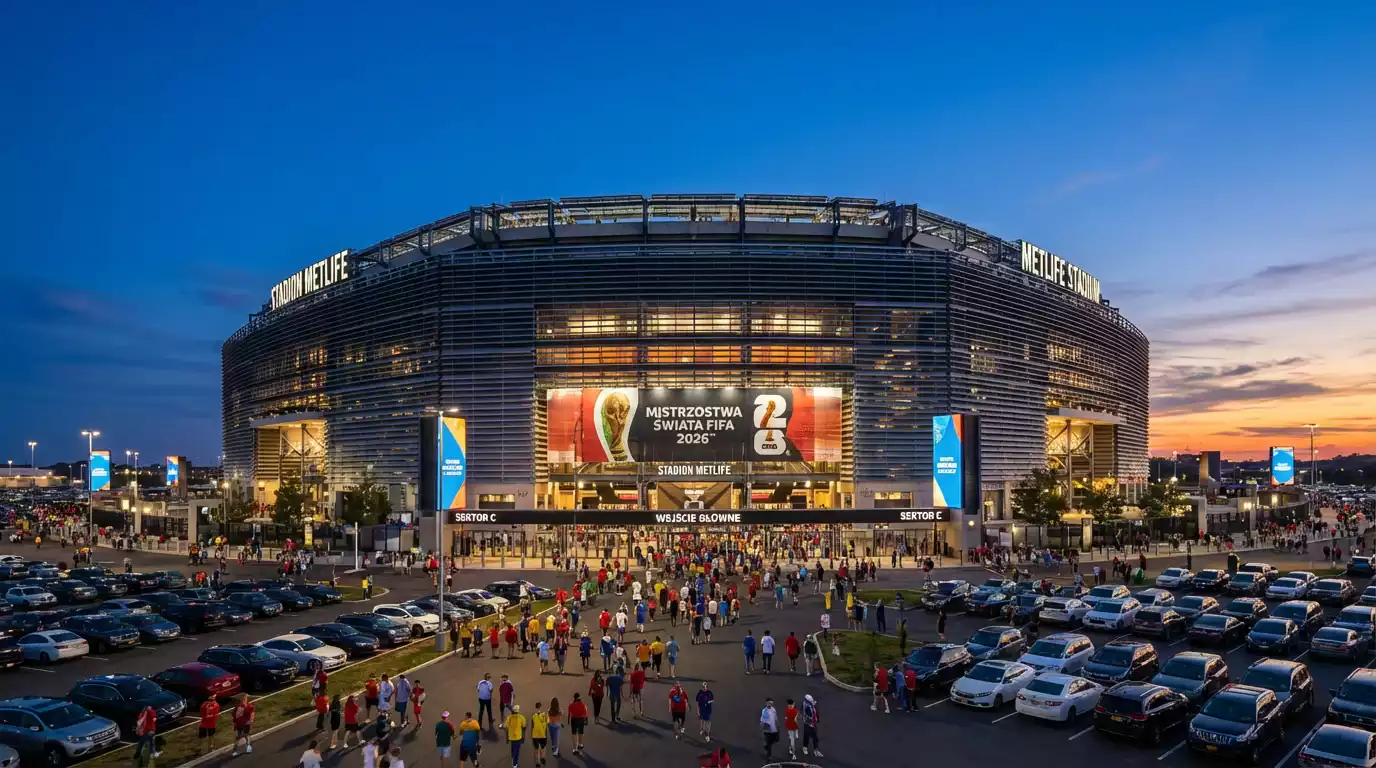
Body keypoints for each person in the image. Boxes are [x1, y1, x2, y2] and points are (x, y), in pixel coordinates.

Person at [505, 703, 526, 768]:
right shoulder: (521, 717)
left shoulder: (509, 717)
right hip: (518, 737)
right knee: (516, 751)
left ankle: (512, 756)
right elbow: (524, 726)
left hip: (511, 736)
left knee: (513, 747)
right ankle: (515, 764)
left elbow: (506, 726)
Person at [530, 701, 549, 767]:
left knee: (536, 749)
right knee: (543, 748)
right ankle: (542, 757)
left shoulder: (533, 716)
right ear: (541, 707)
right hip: (543, 734)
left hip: (535, 735)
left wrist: (532, 735)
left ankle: (537, 763)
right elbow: (547, 724)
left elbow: (532, 726)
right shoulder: (544, 715)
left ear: (535, 707)